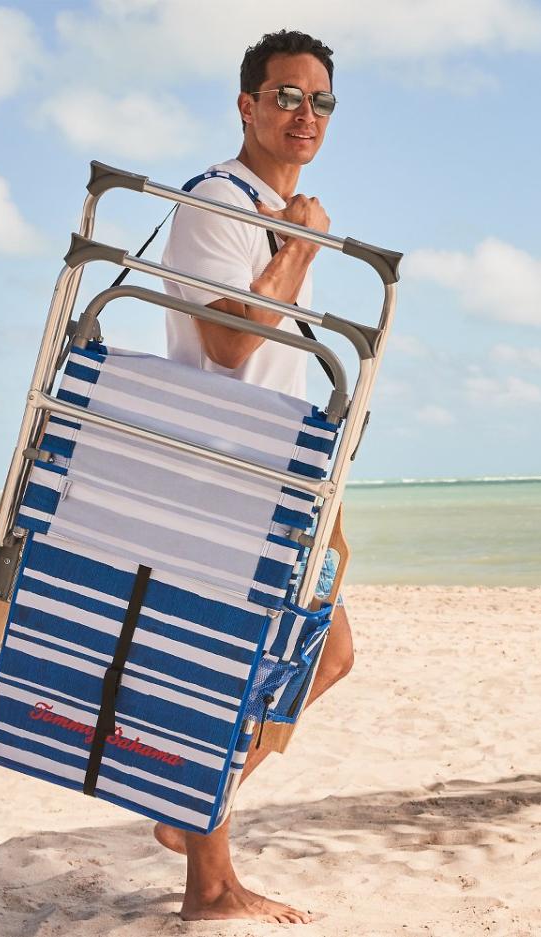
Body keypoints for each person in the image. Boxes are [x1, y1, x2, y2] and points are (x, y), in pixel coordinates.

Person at [158, 29, 354, 925]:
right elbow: (230, 345)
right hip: (226, 471)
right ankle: (209, 884)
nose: (303, 115)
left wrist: (327, 482)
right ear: (247, 105)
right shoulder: (214, 201)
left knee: (327, 651)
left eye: (319, 101)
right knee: (231, 671)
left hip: (284, 468)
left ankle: (188, 804)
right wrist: (303, 244)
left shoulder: (268, 206)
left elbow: (279, 367)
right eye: (285, 96)